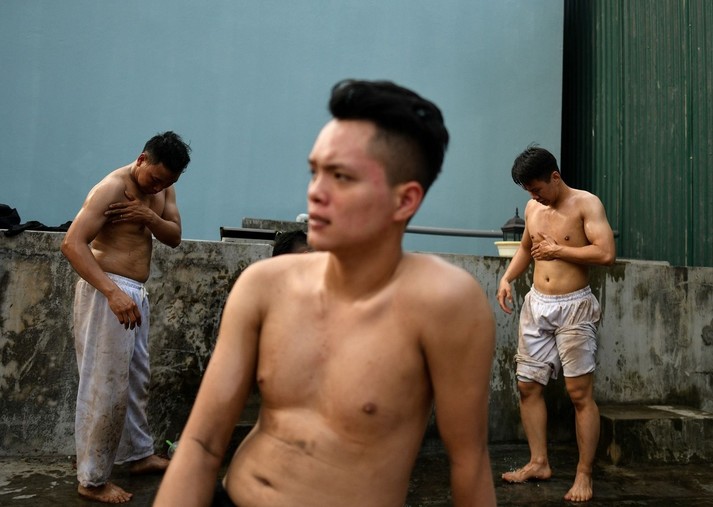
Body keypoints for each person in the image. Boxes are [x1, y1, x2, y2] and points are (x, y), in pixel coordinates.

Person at [154, 79, 496, 507]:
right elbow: (202, 445)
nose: (316, 191)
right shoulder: (265, 285)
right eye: (315, 171)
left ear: (405, 201)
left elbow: (469, 463)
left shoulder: (446, 303)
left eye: (341, 176)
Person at [61, 131, 191, 503]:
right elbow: (72, 244)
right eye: (155, 178)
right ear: (141, 159)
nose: (158, 186)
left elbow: (174, 237)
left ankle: (138, 455)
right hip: (108, 291)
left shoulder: (163, 190)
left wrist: (148, 215)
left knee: (135, 380)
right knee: (104, 384)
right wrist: (112, 292)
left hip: (134, 293)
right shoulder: (111, 188)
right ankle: (91, 480)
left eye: (166, 182)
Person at [497, 146, 615, 502]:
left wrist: (559, 251)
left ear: (555, 176)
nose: (534, 197)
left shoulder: (586, 204)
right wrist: (507, 278)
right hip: (537, 305)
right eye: (529, 192)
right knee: (527, 386)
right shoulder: (534, 208)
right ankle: (539, 462)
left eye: (537, 189)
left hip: (574, 306)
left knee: (579, 394)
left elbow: (606, 253)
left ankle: (584, 474)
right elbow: (525, 248)